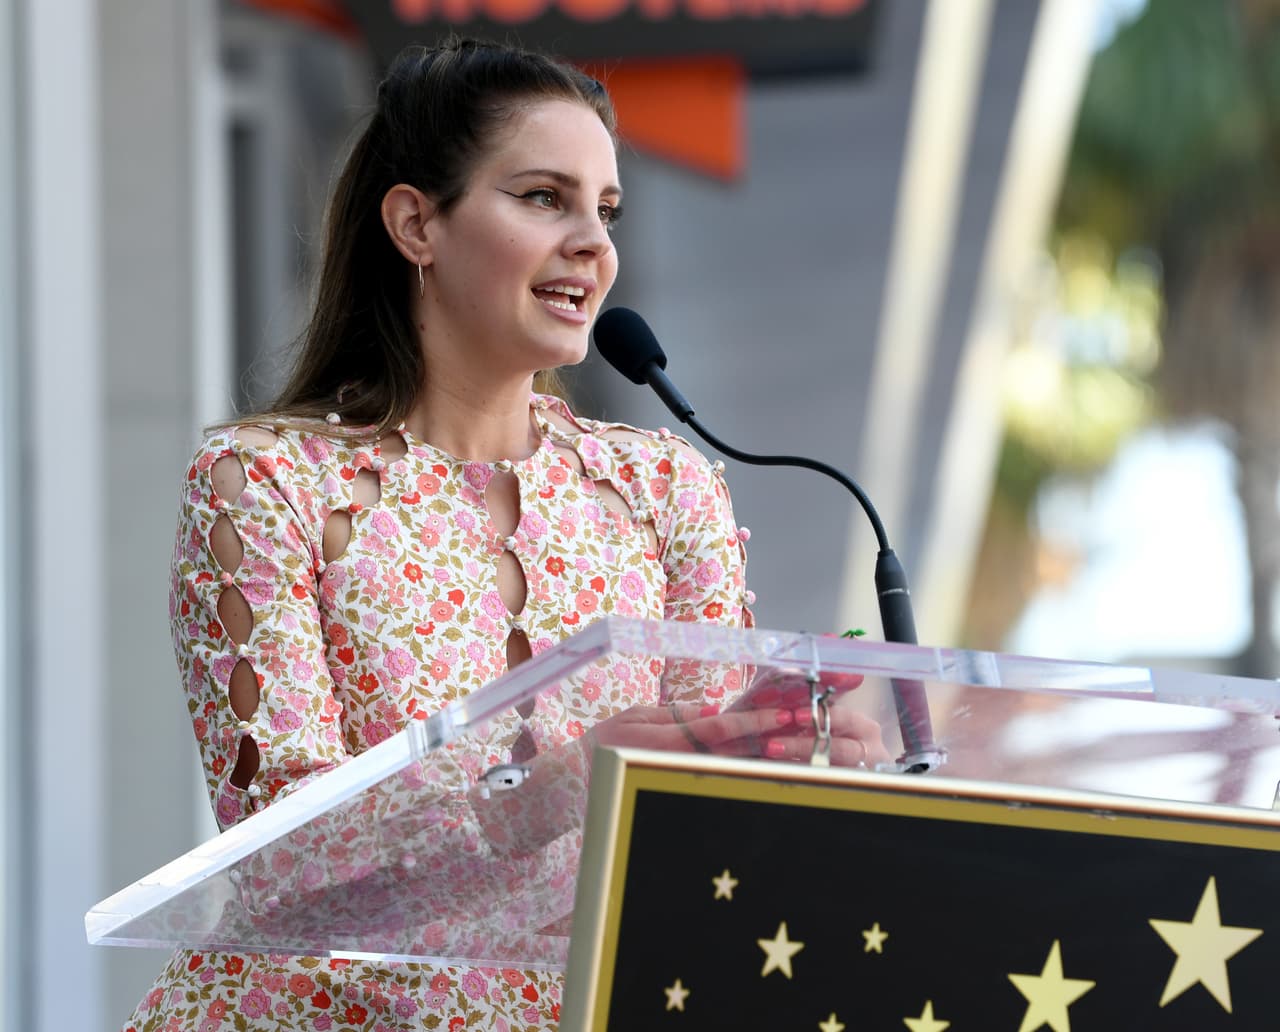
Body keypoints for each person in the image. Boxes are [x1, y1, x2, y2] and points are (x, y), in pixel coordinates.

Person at [122, 36, 884, 1031]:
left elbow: (709, 837)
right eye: (541, 197)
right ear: (415, 224)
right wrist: (556, 783)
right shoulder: (265, 481)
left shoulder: (666, 488)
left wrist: (799, 768)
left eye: (604, 211)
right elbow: (275, 853)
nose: (592, 244)